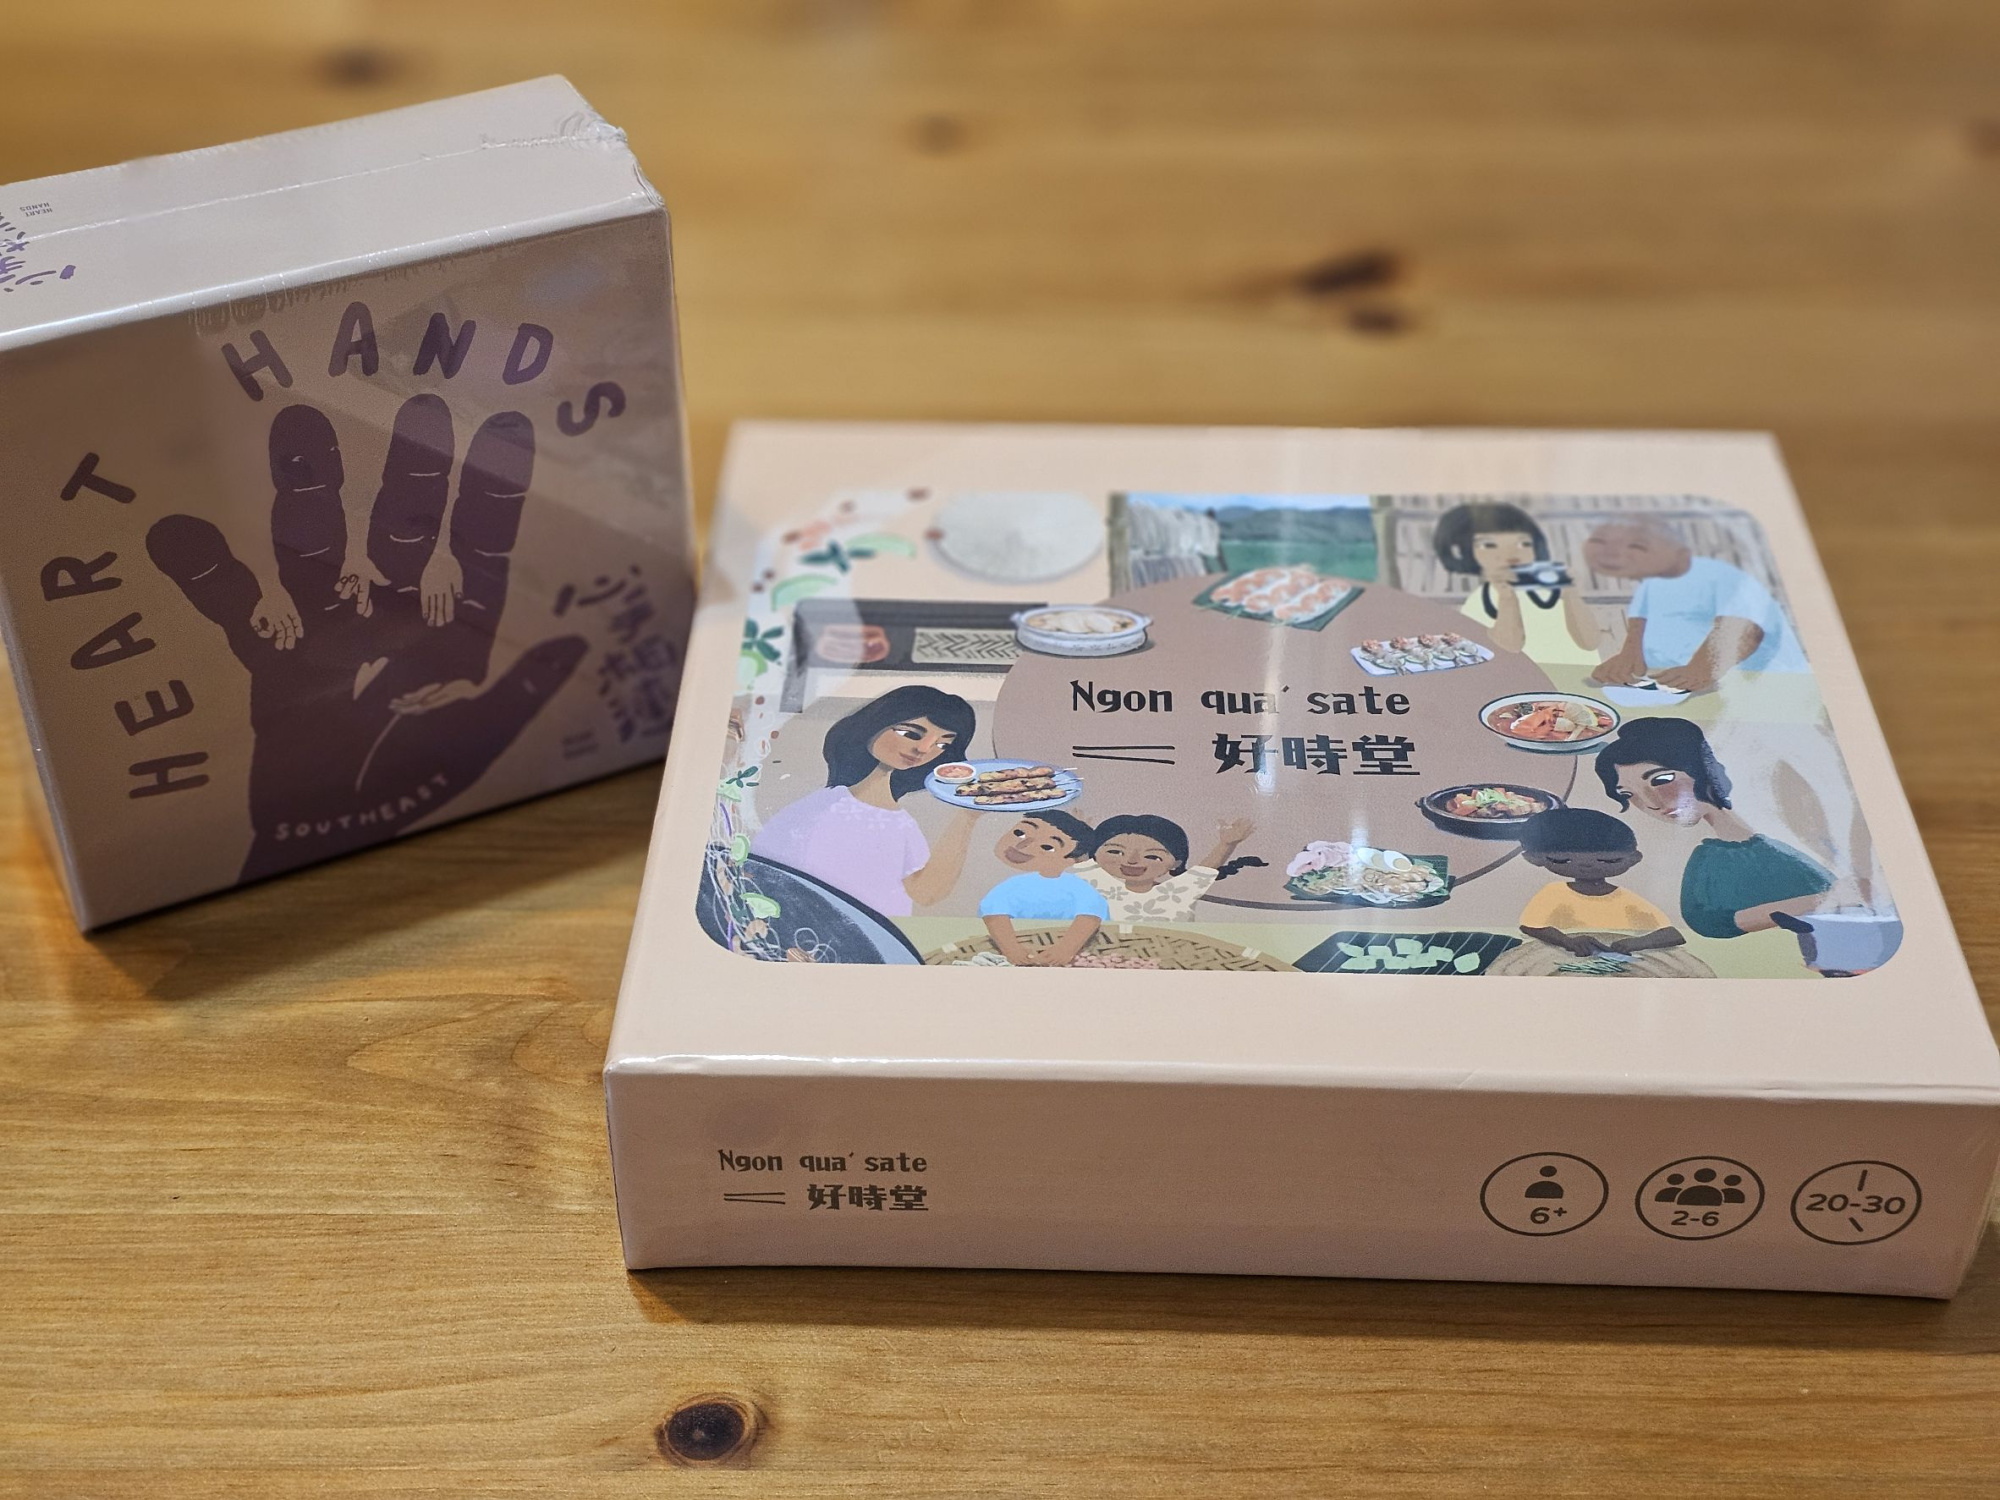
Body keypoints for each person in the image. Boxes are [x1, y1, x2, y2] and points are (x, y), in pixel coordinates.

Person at [750, 685, 980, 918]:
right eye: (910, 734)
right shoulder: (823, 806)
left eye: (941, 745)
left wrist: (967, 816)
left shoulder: (901, 824)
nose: (923, 749)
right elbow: (763, 869)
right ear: (876, 723)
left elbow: (926, 893)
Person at [1595, 717, 1835, 940]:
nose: (1651, 803)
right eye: (1628, 795)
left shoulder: (1783, 833)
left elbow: (1842, 893)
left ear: (1702, 767)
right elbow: (1705, 921)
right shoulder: (1711, 857)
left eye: (1661, 780)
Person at [1584, 519, 1807, 692]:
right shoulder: (1650, 583)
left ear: (1681, 553)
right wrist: (1625, 662)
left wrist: (1701, 670)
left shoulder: (1721, 576)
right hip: (1674, 685)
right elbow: (1637, 634)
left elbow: (1744, 629)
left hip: (1757, 685)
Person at [1433, 501, 1600, 666]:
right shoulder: (1481, 599)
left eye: (1523, 543)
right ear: (1463, 551)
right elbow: (1510, 648)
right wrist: (1507, 598)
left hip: (1580, 673)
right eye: (1489, 545)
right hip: (1527, 676)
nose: (1511, 553)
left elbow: (1590, 642)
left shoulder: (1551, 589)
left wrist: (1571, 595)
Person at [1515, 807, 1686, 958]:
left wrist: (1635, 943)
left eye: (1608, 860)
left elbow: (1672, 934)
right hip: (1558, 959)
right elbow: (1531, 926)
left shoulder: (1625, 899)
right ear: (1533, 858)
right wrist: (1567, 941)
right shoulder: (1555, 893)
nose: (1587, 865)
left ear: (1633, 859)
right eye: (1562, 860)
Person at [978, 811, 1110, 966]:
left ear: (1070, 861)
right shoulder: (1011, 885)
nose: (1023, 845)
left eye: (1047, 847)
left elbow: (1090, 916)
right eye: (1020, 833)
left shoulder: (1077, 887)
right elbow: (994, 916)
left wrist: (1066, 948)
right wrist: (1012, 949)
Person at [1075, 814, 1258, 923]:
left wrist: (1227, 844)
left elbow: (1205, 869)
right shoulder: (1101, 886)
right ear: (1096, 853)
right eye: (1116, 852)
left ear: (1177, 862)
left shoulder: (1176, 892)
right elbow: (1082, 861)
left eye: (1152, 856)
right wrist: (1077, 835)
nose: (1131, 861)